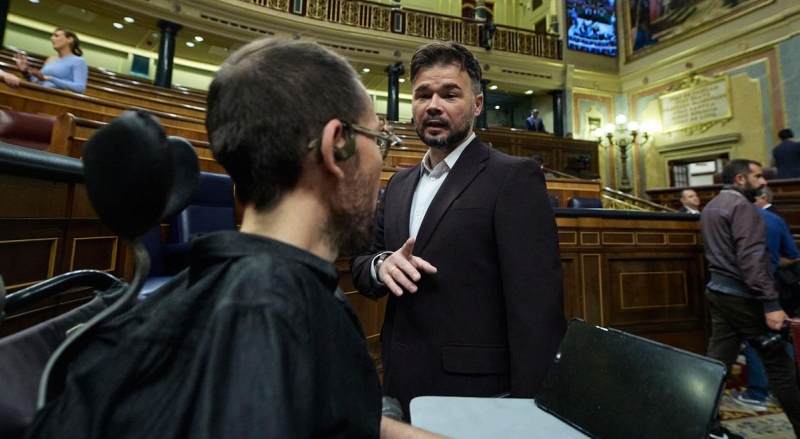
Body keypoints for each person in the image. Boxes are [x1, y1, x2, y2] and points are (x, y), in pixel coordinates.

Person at [24, 38, 442, 439]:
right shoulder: (267, 317)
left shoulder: (249, 290)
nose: (381, 163)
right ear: (338, 146)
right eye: (380, 141)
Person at [349, 41, 566, 417]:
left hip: (478, 393)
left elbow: (537, 310)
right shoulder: (399, 183)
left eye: (450, 94)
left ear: (477, 105)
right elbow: (363, 261)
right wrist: (381, 264)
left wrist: (533, 408)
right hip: (399, 382)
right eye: (423, 94)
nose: (434, 105)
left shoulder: (513, 177)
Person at [701, 159, 800, 438]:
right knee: (780, 367)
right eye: (758, 176)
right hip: (744, 296)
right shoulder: (743, 208)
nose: (764, 181)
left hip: (718, 292)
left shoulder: (711, 206)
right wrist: (771, 304)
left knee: (716, 364)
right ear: (741, 179)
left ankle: (705, 427)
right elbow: (752, 259)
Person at [732, 187, 800, 412]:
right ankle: (788, 393)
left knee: (754, 340)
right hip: (777, 286)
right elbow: (792, 255)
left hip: (745, 288)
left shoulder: (734, 219)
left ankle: (758, 392)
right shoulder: (775, 219)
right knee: (783, 336)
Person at [13, 28, 88, 94]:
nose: (52, 38)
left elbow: (80, 88)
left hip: (59, 99)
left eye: (56, 36)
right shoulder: (50, 59)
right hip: (40, 94)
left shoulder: (79, 61)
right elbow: (38, 82)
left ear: (70, 39)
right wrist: (25, 72)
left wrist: (50, 78)